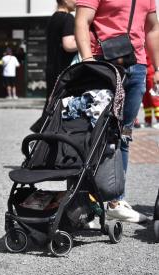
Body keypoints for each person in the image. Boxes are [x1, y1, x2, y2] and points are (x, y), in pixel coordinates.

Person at [75, 0, 159, 222]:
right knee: (93, 134)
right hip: (102, 62)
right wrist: (88, 60)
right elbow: (82, 20)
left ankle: (116, 201)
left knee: (123, 134)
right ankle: (86, 204)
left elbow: (152, 27)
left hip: (137, 66)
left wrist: (157, 66)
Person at [31, 0, 77, 132]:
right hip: (64, 69)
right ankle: (46, 137)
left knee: (51, 104)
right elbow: (68, 45)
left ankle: (43, 135)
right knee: (60, 106)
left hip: (52, 68)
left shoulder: (53, 19)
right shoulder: (68, 18)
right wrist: (86, 42)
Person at [141, 53, 159, 128]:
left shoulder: (149, 45)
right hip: (144, 73)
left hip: (151, 73)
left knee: (154, 98)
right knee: (146, 100)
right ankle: (148, 121)